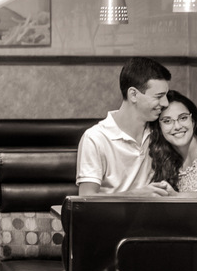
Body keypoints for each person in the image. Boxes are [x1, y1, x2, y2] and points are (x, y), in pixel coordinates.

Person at [76, 57, 177, 196]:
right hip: (112, 211)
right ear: (133, 94)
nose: (165, 103)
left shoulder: (160, 129)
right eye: (159, 96)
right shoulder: (95, 138)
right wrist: (137, 195)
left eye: (165, 96)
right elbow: (86, 197)